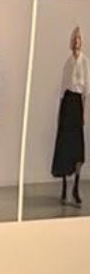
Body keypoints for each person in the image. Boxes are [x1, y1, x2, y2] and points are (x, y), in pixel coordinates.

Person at [51, 27, 86, 208]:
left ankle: (76, 188)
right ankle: (65, 187)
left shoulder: (85, 62)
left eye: (78, 39)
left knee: (78, 148)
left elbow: (87, 91)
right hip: (67, 104)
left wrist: (84, 113)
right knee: (65, 146)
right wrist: (59, 113)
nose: (76, 42)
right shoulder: (68, 63)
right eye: (74, 39)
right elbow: (62, 91)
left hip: (78, 104)